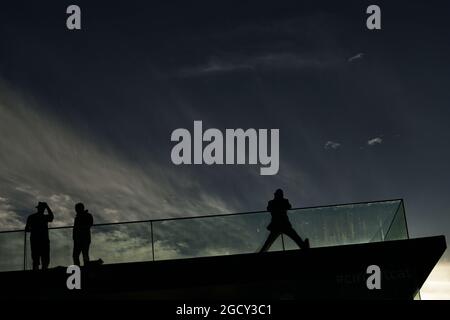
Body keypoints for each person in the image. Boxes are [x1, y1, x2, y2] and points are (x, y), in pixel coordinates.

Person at [25, 202, 54, 270]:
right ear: (43, 209)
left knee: (36, 260)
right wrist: (47, 207)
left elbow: (27, 229)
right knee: (44, 260)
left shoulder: (31, 217)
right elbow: (51, 217)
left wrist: (33, 230)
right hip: (43, 241)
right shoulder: (44, 217)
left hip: (35, 241)